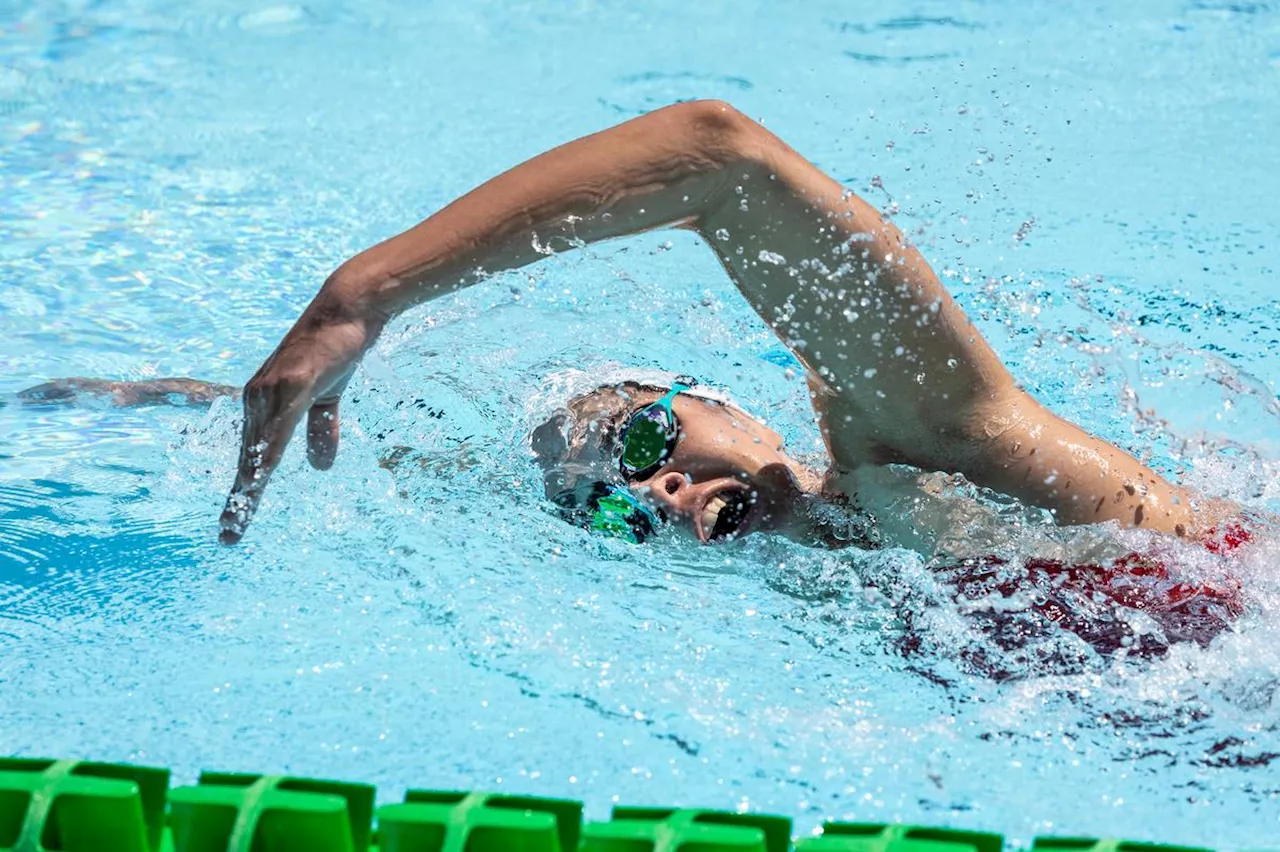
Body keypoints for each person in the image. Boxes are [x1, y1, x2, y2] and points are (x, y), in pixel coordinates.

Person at [25, 101, 1253, 656]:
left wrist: (358, 298)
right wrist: (161, 402)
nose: (658, 489)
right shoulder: (855, 591)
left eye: (652, 435)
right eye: (613, 503)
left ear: (730, 399)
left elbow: (718, 156)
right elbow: (434, 479)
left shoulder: (924, 448)